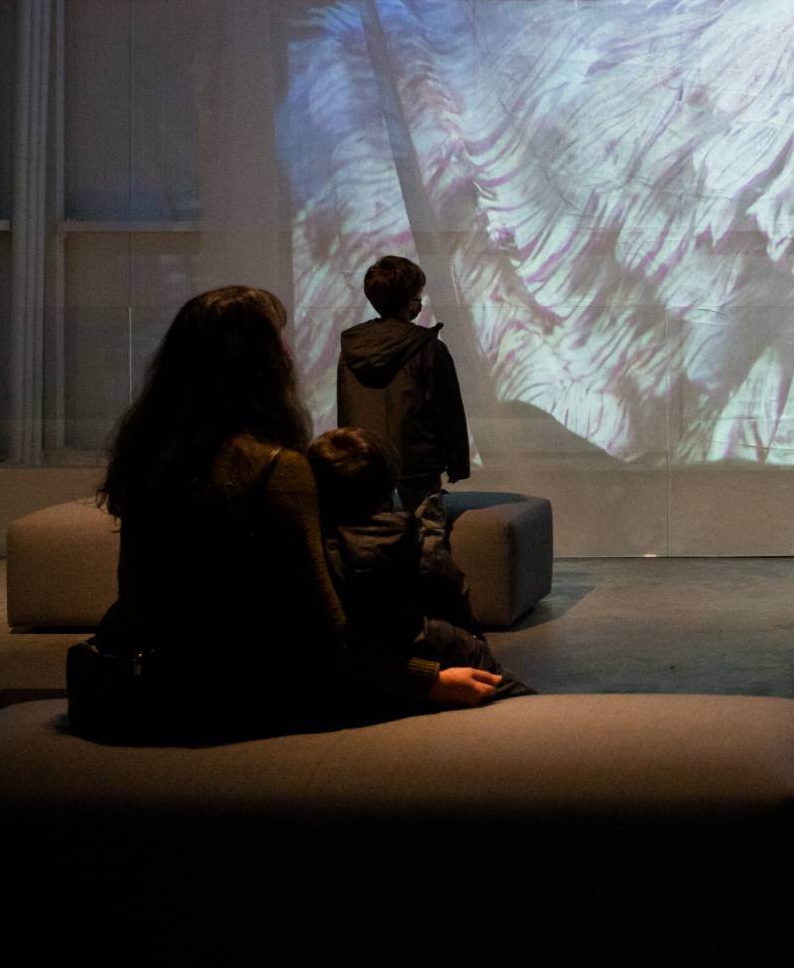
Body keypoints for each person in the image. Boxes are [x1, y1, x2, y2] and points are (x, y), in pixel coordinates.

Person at [78, 285, 507, 742]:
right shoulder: (274, 468)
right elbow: (320, 627)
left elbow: (139, 602)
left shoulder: (149, 458)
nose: (288, 350)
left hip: (157, 689)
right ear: (256, 362)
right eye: (278, 338)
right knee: (467, 659)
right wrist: (426, 679)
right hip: (247, 697)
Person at [305, 425, 532, 698]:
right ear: (389, 483)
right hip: (442, 670)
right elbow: (464, 625)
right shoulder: (423, 554)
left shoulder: (303, 557)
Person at [336, 255, 473, 510]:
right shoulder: (429, 348)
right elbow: (448, 412)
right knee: (427, 539)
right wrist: (457, 465)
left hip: (364, 463)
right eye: (418, 294)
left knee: (372, 538)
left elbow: (345, 408)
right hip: (417, 467)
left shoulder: (352, 347)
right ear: (410, 299)